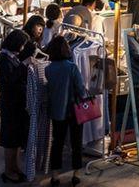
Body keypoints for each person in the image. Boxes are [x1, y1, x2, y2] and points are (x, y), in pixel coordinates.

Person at [45, 35, 87, 185]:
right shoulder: (72, 67)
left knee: (57, 142)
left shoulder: (48, 69)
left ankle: (55, 175)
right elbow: (81, 89)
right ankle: (76, 174)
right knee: (76, 143)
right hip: (74, 109)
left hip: (57, 110)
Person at [0, 30, 30, 184]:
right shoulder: (4, 59)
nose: (22, 48)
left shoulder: (11, 56)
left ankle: (14, 167)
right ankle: (8, 171)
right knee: (10, 140)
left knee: (16, 139)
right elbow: (9, 82)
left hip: (16, 103)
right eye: (22, 45)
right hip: (10, 104)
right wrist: (23, 65)